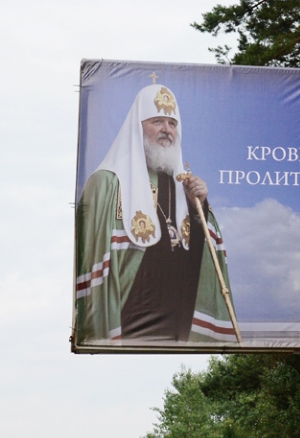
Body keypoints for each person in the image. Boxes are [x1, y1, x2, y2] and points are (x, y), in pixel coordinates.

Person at [73, 82, 237, 345]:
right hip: (127, 320)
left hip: (178, 319)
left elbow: (201, 257)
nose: (167, 130)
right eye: (157, 121)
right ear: (136, 129)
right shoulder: (107, 182)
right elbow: (93, 264)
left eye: (172, 124)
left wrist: (200, 207)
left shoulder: (181, 185)